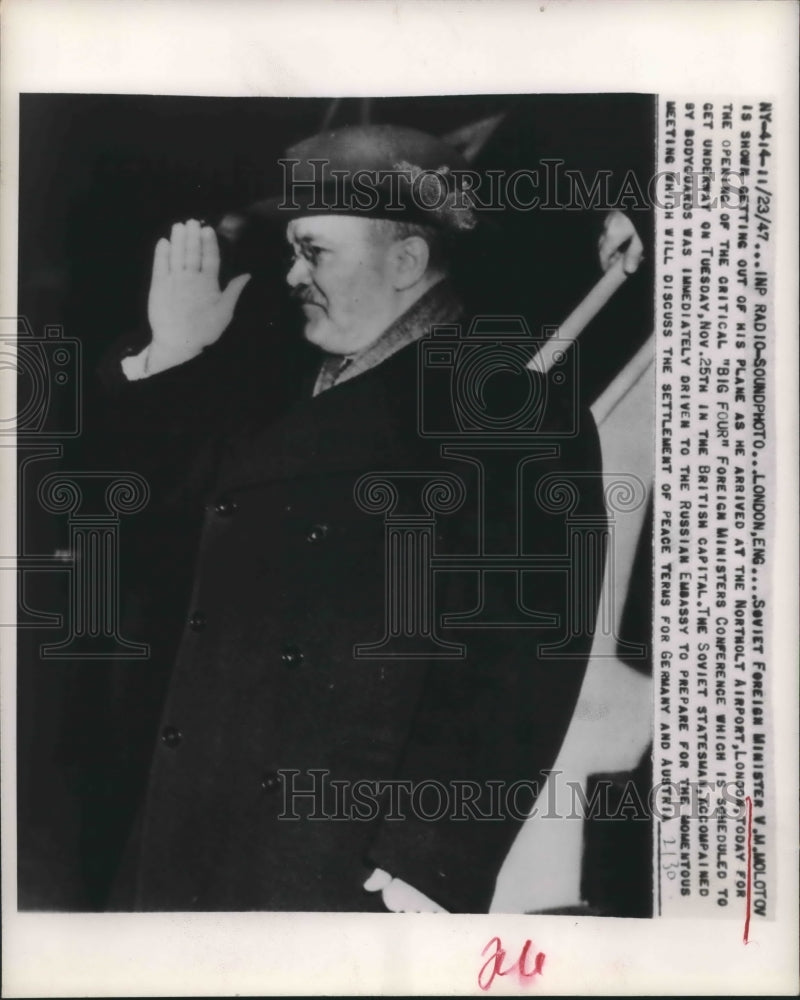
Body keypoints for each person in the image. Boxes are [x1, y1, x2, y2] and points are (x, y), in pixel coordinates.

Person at [102, 124, 641, 913]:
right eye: (292, 250)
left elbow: (523, 651)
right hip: (183, 826)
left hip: (341, 859)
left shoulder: (508, 405)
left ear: (407, 260)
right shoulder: (266, 376)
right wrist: (173, 355)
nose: (290, 274)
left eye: (313, 251)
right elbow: (132, 530)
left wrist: (434, 856)